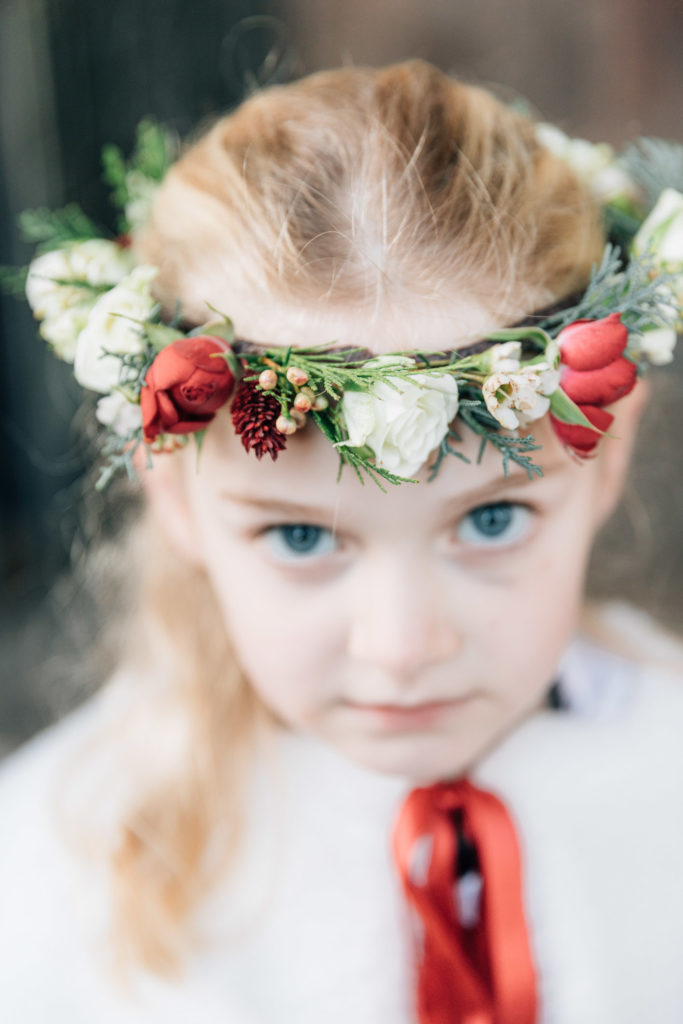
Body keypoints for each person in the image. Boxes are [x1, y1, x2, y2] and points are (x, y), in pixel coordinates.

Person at [1, 60, 683, 1024]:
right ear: (180, 502)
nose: (402, 648)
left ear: (601, 458)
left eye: (491, 520)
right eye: (298, 536)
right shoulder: (45, 888)